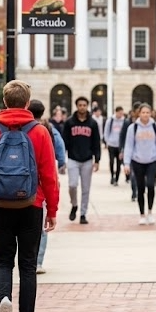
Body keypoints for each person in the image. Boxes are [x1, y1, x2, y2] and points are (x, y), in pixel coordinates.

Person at [0, 80, 60, 312]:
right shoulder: (39, 132)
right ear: (26, 103)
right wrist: (52, 210)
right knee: (27, 266)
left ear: (4, 101)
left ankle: (4, 299)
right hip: (31, 205)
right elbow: (49, 174)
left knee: (2, 261)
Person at [29, 99, 65, 274]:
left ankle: (26, 259)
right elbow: (58, 152)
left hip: (21, 183)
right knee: (42, 226)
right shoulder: (48, 129)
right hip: (42, 184)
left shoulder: (19, 128)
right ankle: (37, 261)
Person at [123, 103, 156, 225]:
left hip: (153, 160)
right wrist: (126, 163)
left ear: (151, 113)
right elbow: (129, 146)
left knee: (151, 185)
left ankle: (150, 212)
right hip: (137, 161)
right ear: (139, 113)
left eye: (148, 112)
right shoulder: (133, 128)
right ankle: (142, 214)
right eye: (143, 112)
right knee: (140, 187)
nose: (145, 115)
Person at [62, 96, 101, 225]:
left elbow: (96, 143)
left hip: (87, 160)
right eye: (80, 105)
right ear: (76, 106)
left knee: (86, 189)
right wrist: (62, 160)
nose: (82, 107)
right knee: (72, 185)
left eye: (84, 105)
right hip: (73, 158)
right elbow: (64, 142)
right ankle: (74, 204)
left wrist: (97, 160)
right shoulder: (69, 122)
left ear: (87, 106)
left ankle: (83, 213)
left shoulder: (92, 123)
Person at [103, 106, 126, 186]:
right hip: (112, 144)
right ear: (116, 112)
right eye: (120, 113)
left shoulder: (124, 121)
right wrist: (107, 141)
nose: (121, 115)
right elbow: (106, 131)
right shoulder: (111, 120)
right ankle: (112, 175)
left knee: (119, 163)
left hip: (120, 145)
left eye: (122, 113)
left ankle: (117, 178)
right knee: (112, 161)